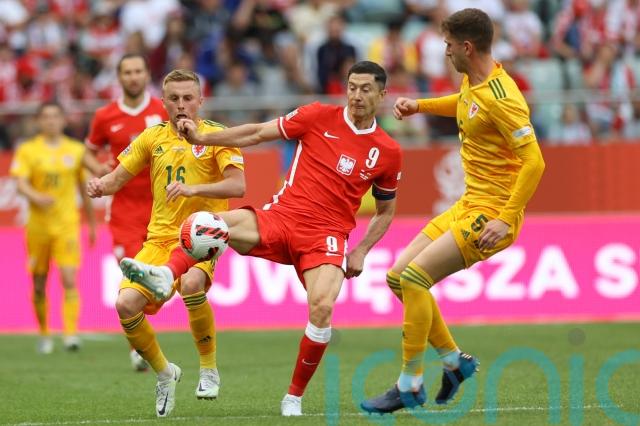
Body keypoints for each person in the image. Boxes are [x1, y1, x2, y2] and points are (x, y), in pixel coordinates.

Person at [120, 61, 403, 416]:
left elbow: (385, 211)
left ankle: (293, 397)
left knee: (322, 309)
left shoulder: (388, 151)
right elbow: (256, 133)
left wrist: (361, 250)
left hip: (327, 236)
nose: (357, 95)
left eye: (365, 89)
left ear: (382, 94)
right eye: (352, 87)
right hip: (282, 217)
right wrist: (203, 138)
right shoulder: (317, 115)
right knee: (205, 223)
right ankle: (165, 275)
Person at [361, 8, 546, 413]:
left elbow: (535, 162)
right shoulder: (473, 82)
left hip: (491, 213)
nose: (444, 51)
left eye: (448, 45)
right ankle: (453, 362)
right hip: (468, 203)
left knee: (415, 279)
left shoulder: (503, 97)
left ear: (466, 46)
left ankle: (409, 384)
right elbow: (465, 105)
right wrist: (420, 106)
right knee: (397, 278)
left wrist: (505, 218)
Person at [86, 69, 246, 418]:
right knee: (125, 305)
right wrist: (100, 186)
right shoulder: (152, 137)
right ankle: (165, 373)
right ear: (163, 102)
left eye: (188, 98)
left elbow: (238, 186)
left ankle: (208, 368)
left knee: (191, 283)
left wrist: (193, 189)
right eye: (174, 98)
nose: (181, 104)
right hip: (158, 238)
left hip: (200, 234)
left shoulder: (218, 136)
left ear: (200, 100)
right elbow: (117, 178)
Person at [85, 53, 168, 372]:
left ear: (147, 75)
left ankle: (142, 333)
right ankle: (138, 348)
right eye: (127, 72)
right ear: (119, 77)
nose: (133, 77)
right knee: (134, 273)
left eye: (138, 71)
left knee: (158, 282)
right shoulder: (105, 115)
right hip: (123, 210)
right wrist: (99, 169)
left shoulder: (162, 110)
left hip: (161, 208)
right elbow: (88, 153)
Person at [10, 102, 97, 354]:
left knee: (69, 278)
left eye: (55, 116)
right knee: (39, 283)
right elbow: (20, 182)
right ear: (38, 121)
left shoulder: (76, 150)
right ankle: (44, 332)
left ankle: (70, 334)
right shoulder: (28, 150)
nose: (51, 121)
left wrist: (92, 223)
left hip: (67, 225)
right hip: (38, 227)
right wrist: (36, 196)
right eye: (46, 117)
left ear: (63, 120)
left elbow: (85, 189)